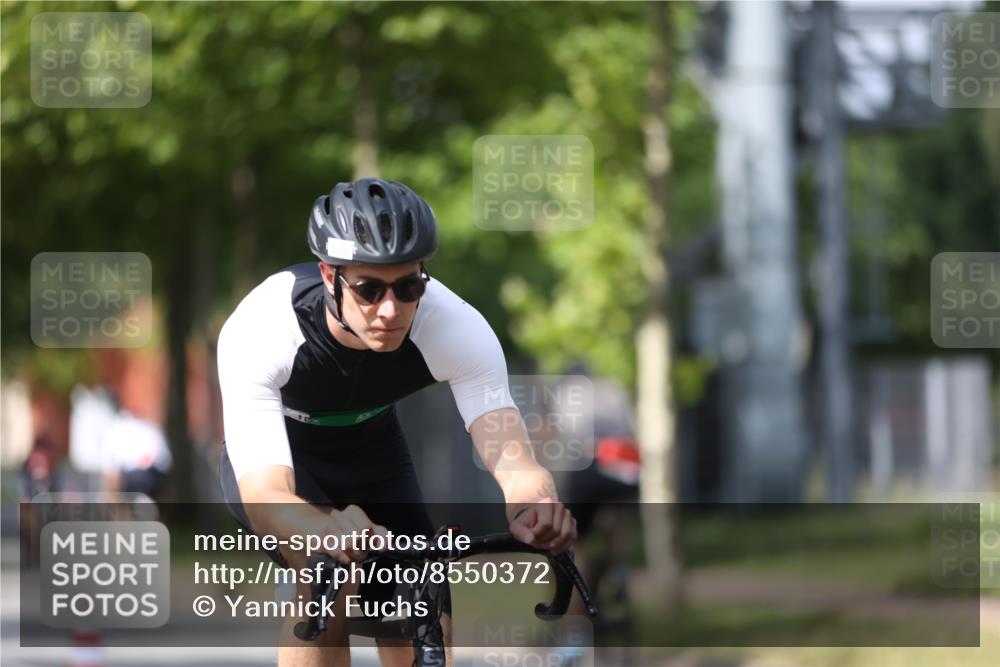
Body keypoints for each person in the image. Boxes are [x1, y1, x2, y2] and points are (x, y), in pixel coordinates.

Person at [216, 177, 576, 667]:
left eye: (408, 287)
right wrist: (322, 528)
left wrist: (534, 502)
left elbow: (512, 456)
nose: (390, 309)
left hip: (373, 449)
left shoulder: (453, 326)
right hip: (289, 455)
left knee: (422, 597)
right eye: (368, 289)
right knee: (326, 579)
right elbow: (266, 499)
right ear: (328, 276)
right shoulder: (263, 327)